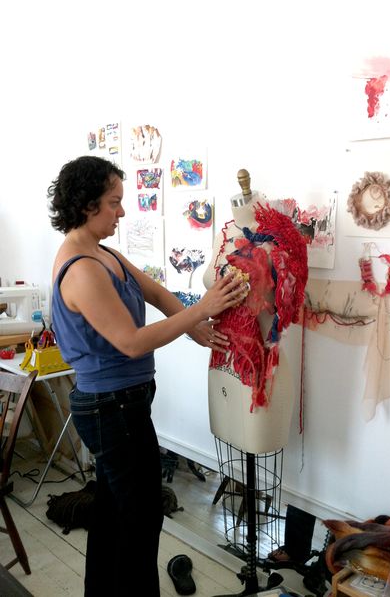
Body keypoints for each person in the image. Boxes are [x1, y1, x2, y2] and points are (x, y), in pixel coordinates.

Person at [47, 155, 246, 597]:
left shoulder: (104, 254)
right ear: (86, 205)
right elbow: (132, 342)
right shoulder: (81, 269)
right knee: (139, 518)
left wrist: (196, 329)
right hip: (108, 409)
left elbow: (155, 292)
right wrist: (201, 310)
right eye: (114, 202)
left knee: (115, 512)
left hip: (123, 405)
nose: (121, 211)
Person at [202, 183, 308, 454]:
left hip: (262, 371)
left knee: (258, 446)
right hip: (221, 361)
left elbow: (288, 308)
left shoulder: (282, 238)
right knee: (226, 447)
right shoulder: (222, 236)